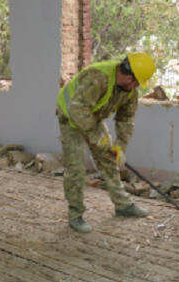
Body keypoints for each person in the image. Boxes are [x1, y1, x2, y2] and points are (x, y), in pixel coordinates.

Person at [56, 52, 156, 233]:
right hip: (70, 115)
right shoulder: (98, 78)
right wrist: (97, 138)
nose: (137, 87)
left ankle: (123, 205)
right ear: (129, 78)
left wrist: (120, 146)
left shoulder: (129, 91)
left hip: (91, 115)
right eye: (137, 82)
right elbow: (77, 109)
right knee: (76, 167)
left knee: (109, 157)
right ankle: (75, 215)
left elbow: (126, 119)